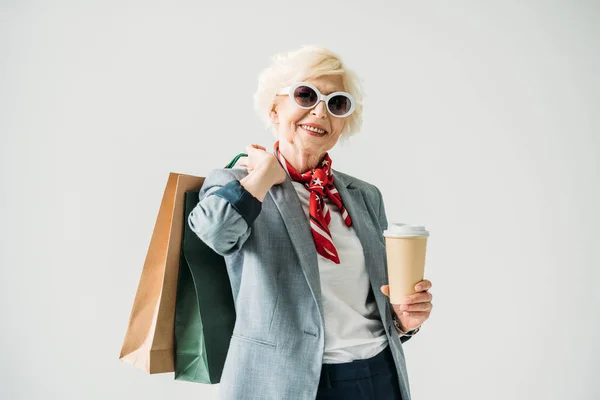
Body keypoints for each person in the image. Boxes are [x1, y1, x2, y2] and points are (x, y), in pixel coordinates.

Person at [188, 45, 434, 400]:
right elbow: (214, 233)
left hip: (378, 374)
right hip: (283, 382)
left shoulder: (364, 195)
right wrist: (262, 177)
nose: (320, 111)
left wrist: (402, 321)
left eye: (337, 103)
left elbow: (371, 299)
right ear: (275, 108)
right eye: (306, 95)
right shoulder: (237, 183)